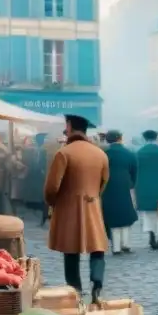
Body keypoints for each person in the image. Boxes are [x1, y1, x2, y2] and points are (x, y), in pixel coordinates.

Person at [44, 114, 110, 304]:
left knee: (70, 252)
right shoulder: (100, 154)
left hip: (68, 208)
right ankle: (97, 284)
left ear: (70, 126)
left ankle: (75, 291)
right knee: (97, 248)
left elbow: (51, 187)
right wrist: (93, 196)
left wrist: (53, 202)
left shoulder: (64, 153)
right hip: (93, 205)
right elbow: (103, 182)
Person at [102, 130, 138, 254]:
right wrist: (131, 183)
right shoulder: (129, 153)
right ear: (120, 138)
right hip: (124, 185)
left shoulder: (104, 153)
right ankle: (126, 244)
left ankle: (116, 247)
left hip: (107, 187)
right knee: (125, 214)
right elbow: (134, 170)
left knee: (112, 216)